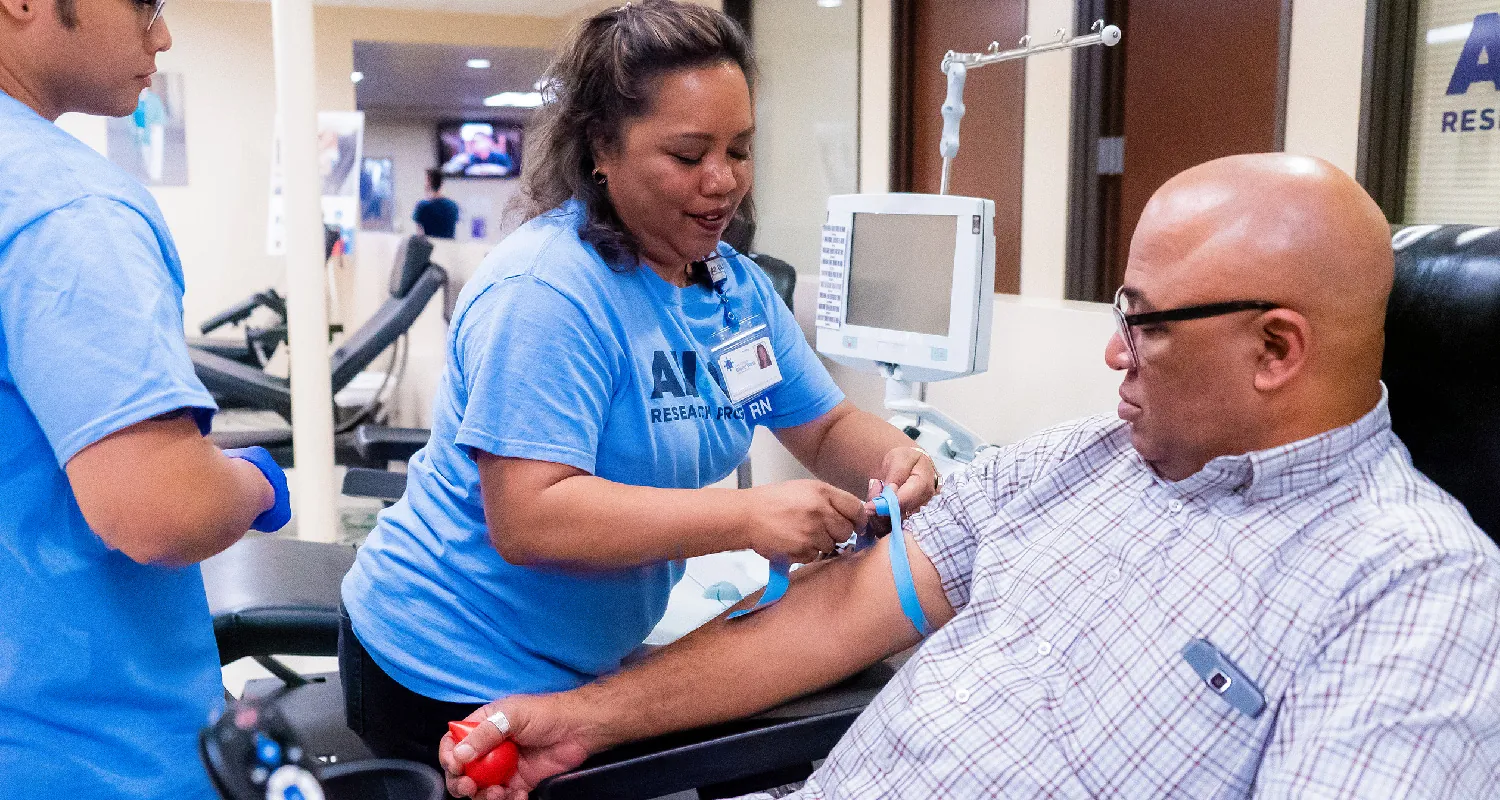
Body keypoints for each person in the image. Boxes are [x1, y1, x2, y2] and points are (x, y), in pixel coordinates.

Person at [438, 153, 1500, 800]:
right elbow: (832, 615)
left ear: (1277, 350)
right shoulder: (1078, 464)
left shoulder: (1414, 592)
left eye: (1143, 323)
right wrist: (587, 717)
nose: (1112, 354)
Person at [338, 0, 940, 776]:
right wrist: (746, 517)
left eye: (739, 149)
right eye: (689, 155)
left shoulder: (732, 290)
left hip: (585, 667)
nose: (723, 182)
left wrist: (897, 459)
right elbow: (530, 517)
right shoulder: (548, 292)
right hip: (445, 667)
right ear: (601, 148)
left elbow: (821, 427)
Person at [0, 1, 291, 798]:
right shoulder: (66, 208)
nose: (159, 35)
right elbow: (162, 513)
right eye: (145, 5)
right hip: (87, 760)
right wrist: (254, 482)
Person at [414, 167, 460, 238]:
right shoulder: (453, 206)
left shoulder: (422, 206)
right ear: (441, 183)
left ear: (428, 182)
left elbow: (420, 234)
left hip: (430, 247)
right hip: (450, 248)